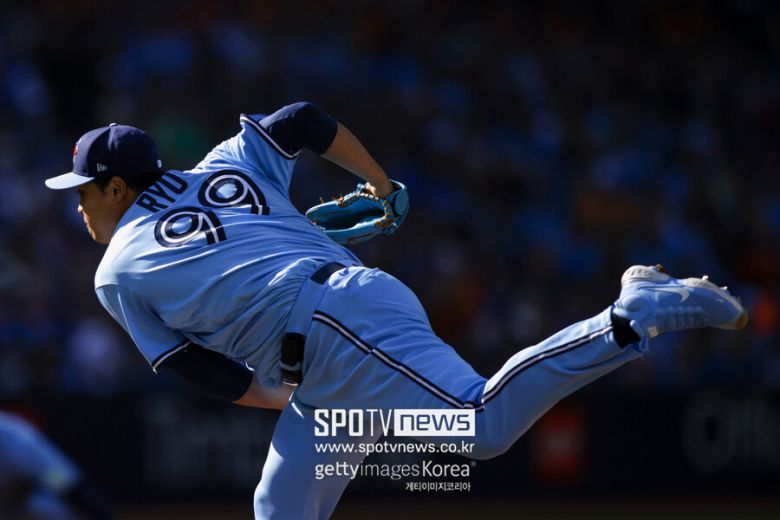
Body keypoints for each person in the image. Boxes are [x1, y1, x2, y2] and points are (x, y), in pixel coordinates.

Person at [45, 102, 748, 519]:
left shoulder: (118, 269)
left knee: (480, 427)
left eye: (83, 191)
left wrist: (270, 394)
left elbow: (189, 365)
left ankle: (629, 315)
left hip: (336, 334)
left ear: (116, 188)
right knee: (279, 506)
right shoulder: (223, 164)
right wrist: (380, 186)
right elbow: (301, 120)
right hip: (339, 333)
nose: (78, 206)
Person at [0, 411, 110, 520]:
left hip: (22, 505)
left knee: (44, 506)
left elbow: (60, 479)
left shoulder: (14, 439)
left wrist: (96, 512)